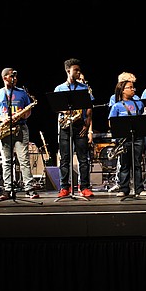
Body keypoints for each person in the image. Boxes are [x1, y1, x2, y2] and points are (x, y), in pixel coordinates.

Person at [0, 68, 39, 199]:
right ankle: (7, 189)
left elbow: (28, 111)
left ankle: (29, 188)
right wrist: (2, 118)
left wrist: (23, 114)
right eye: (12, 76)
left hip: (21, 128)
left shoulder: (22, 93)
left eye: (15, 76)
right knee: (6, 161)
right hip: (4, 129)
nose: (15, 78)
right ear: (5, 78)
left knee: (24, 160)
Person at [53, 58, 94, 198]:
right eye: (75, 70)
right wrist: (65, 111)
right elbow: (56, 107)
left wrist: (87, 123)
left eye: (79, 70)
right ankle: (64, 187)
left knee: (83, 159)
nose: (78, 72)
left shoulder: (84, 88)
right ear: (68, 70)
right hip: (65, 126)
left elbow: (89, 107)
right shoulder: (59, 89)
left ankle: (84, 187)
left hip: (80, 125)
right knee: (65, 159)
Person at [108, 80, 146, 198]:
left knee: (137, 164)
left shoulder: (139, 104)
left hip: (137, 138)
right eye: (130, 87)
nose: (133, 89)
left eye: (133, 87)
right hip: (124, 139)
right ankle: (124, 189)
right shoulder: (116, 106)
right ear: (123, 90)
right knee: (124, 165)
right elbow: (111, 123)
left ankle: (139, 189)